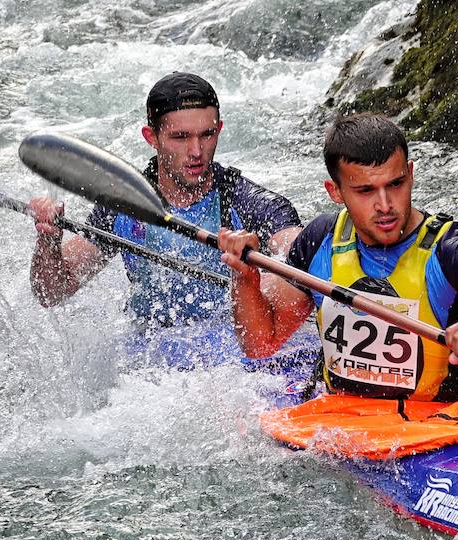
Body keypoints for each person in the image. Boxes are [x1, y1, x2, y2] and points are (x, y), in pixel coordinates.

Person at [217, 112, 458, 402]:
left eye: (396, 184)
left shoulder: (450, 250)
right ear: (335, 192)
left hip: (432, 434)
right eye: (365, 191)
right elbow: (261, 344)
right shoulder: (320, 239)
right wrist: (244, 279)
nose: (385, 205)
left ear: (411, 173)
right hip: (340, 422)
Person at [28, 72, 304, 363]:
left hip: (236, 356)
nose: (196, 151)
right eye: (180, 137)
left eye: (207, 135)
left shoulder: (250, 203)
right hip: (153, 360)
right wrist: (48, 240)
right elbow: (52, 293)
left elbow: (300, 251)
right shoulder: (123, 205)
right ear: (152, 138)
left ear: (219, 130)